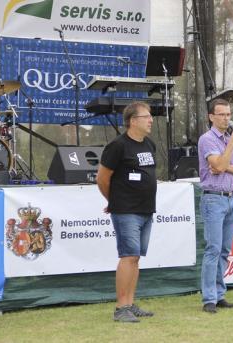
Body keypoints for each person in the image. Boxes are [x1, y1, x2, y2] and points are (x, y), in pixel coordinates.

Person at [96, 101, 157, 322]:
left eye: (151, 116)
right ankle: (121, 308)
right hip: (126, 211)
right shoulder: (118, 146)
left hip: (146, 210)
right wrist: (114, 201)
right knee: (128, 255)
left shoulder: (149, 144)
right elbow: (102, 179)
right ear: (133, 121)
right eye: (146, 117)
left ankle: (130, 304)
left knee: (135, 258)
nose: (151, 120)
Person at [198, 98, 233, 313]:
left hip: (230, 198)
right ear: (211, 117)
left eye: (228, 114)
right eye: (221, 114)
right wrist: (229, 150)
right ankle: (209, 298)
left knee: (225, 250)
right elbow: (216, 164)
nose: (226, 118)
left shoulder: (232, 139)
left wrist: (224, 166)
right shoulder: (207, 139)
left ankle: (219, 295)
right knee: (213, 249)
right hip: (213, 198)